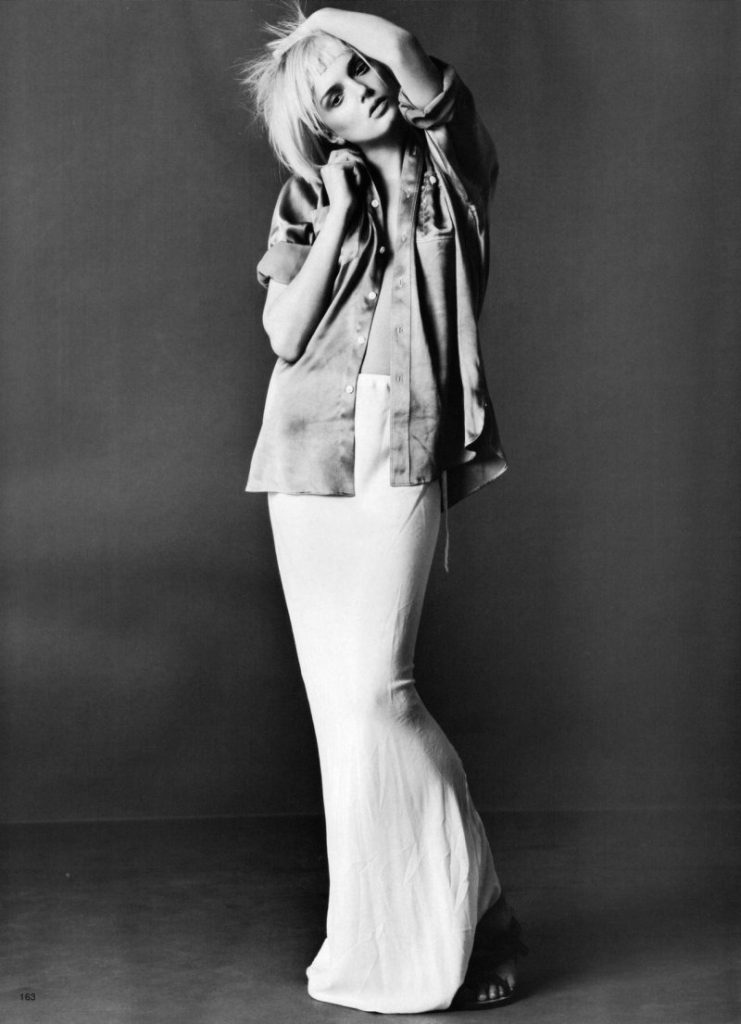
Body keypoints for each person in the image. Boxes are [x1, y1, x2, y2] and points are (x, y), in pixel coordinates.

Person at [240, 2, 527, 1013]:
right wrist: (333, 215)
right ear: (317, 123)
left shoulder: (452, 160)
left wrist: (316, 23)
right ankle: (396, 935)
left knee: (379, 693)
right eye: (335, 91)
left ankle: (482, 906)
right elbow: (284, 332)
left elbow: (405, 55)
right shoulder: (306, 193)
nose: (363, 89)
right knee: (341, 722)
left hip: (404, 445)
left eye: (359, 73)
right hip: (305, 460)